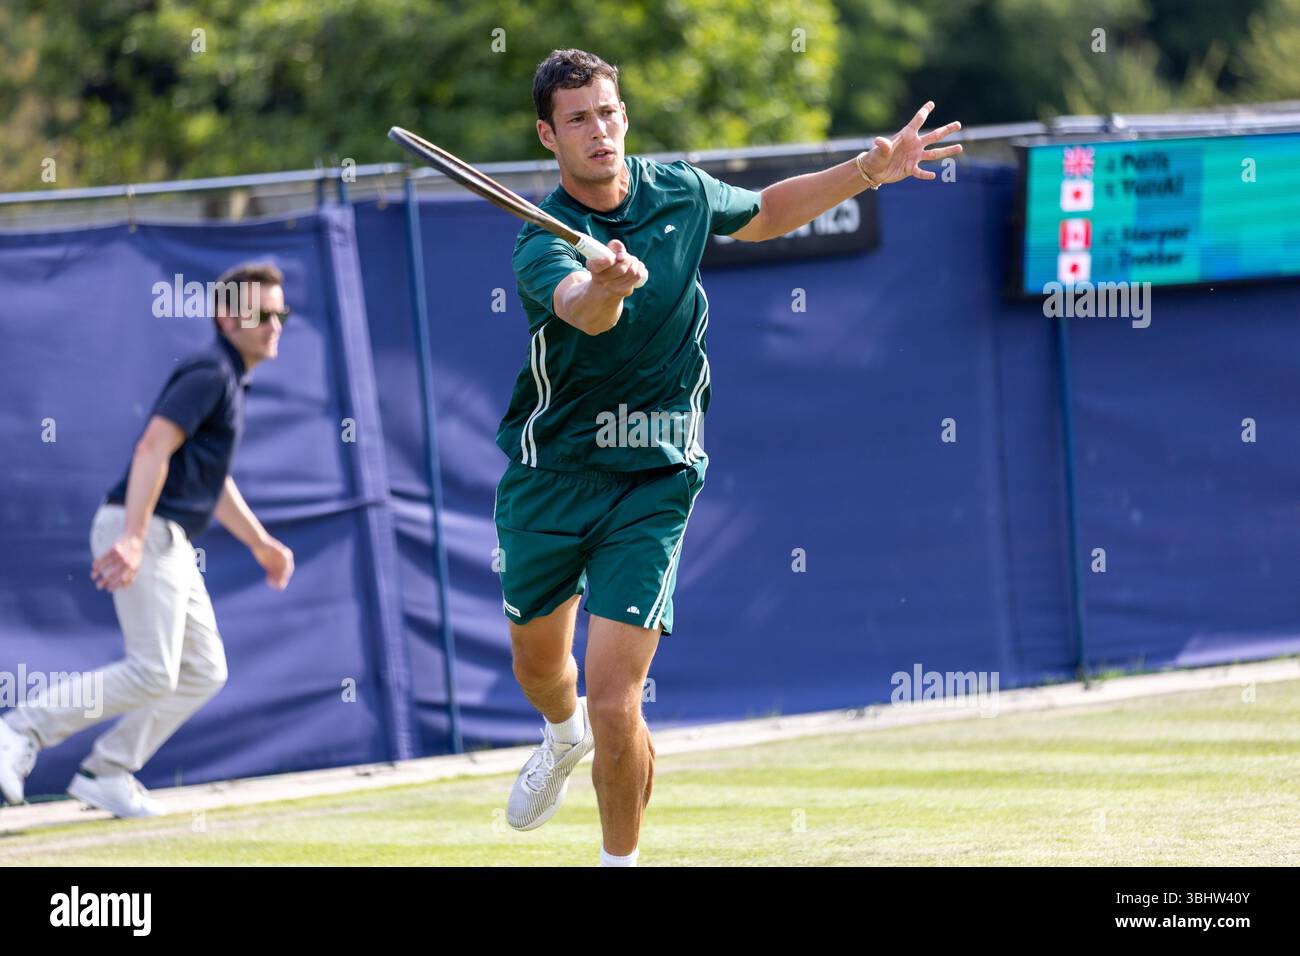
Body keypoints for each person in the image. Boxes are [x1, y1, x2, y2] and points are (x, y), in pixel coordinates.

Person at [497, 49, 962, 865]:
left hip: (656, 474)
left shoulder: (678, 190)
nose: (598, 131)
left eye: (607, 112)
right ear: (549, 134)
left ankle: (620, 860)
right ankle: (557, 735)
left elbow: (767, 213)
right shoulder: (541, 242)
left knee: (616, 701)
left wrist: (867, 169)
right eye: (578, 120)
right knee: (542, 669)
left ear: (624, 116)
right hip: (550, 474)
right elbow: (583, 312)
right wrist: (606, 283)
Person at [0, 261, 295, 817]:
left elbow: (213, 480)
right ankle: (18, 732)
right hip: (146, 528)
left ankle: (107, 771)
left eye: (282, 313)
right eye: (261, 313)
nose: (274, 324)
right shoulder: (211, 371)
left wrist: (260, 544)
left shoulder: (228, 379)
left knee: (204, 671)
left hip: (170, 534)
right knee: (154, 669)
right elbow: (151, 449)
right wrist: (134, 538)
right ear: (226, 318)